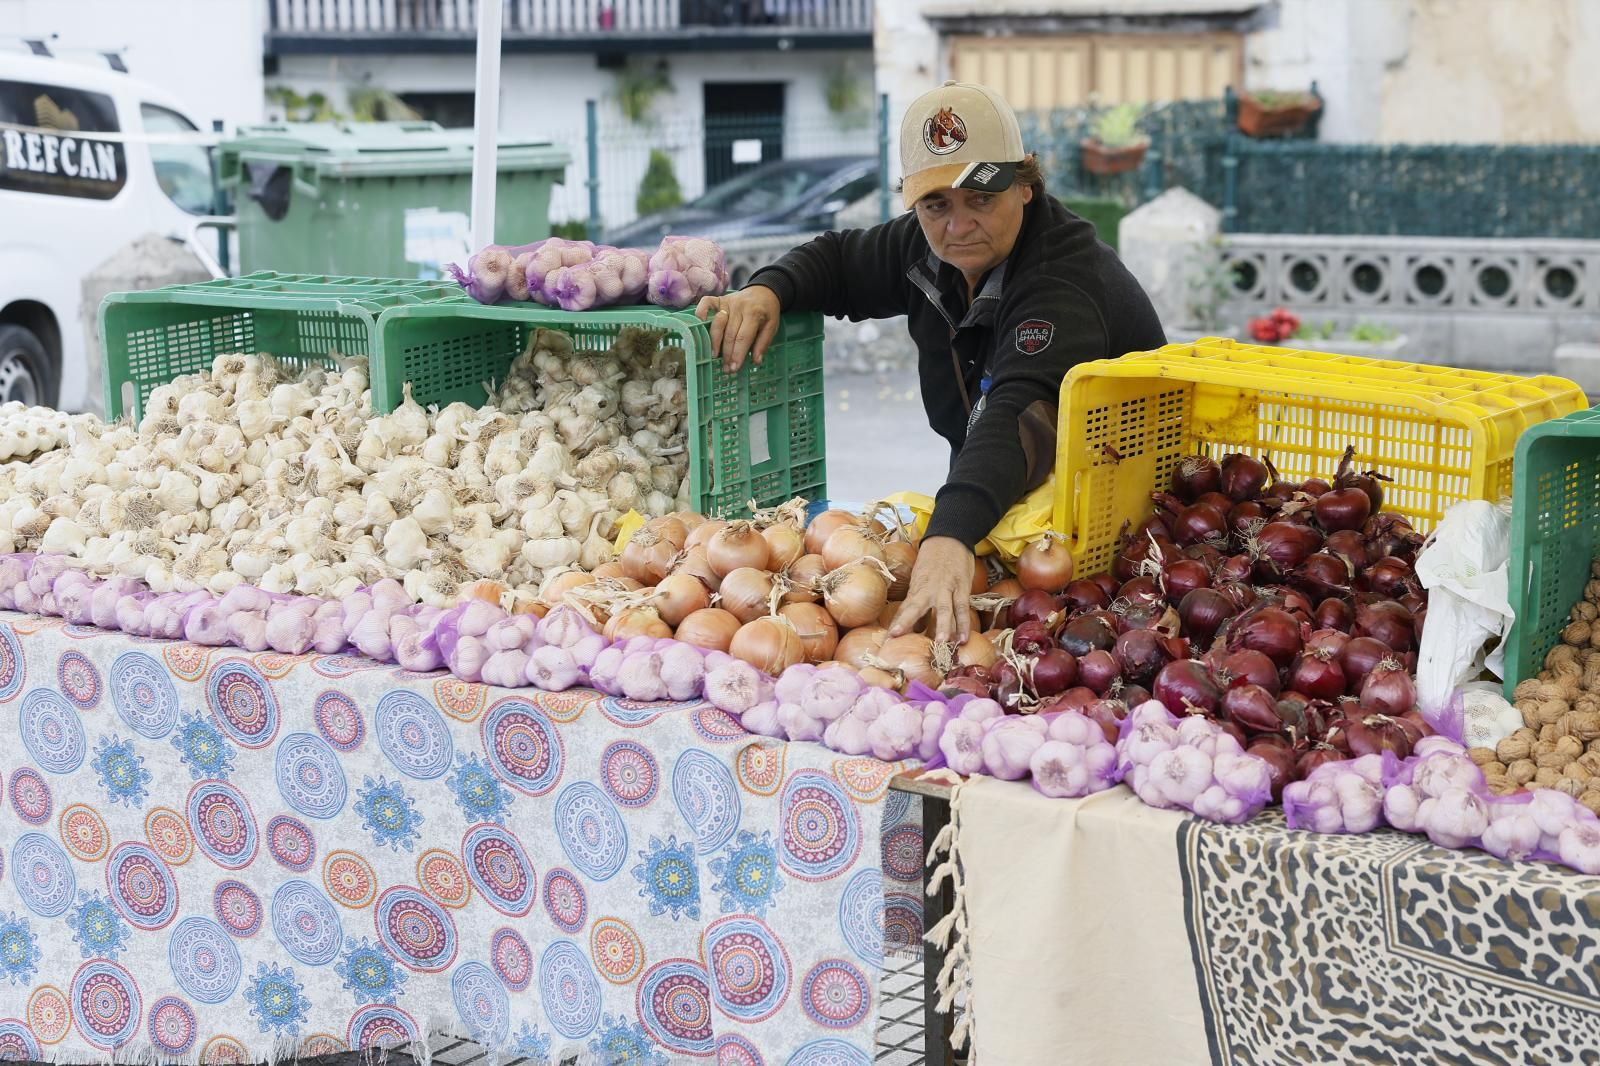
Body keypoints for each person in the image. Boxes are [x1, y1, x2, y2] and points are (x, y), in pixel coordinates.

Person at [695, 82, 1166, 643]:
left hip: (1110, 532)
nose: (958, 224)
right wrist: (768, 291)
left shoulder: (1061, 279)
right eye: (936, 203)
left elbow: (1017, 413)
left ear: (1025, 186)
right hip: (1009, 513)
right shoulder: (926, 245)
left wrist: (950, 536)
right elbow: (840, 259)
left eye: (982, 198)